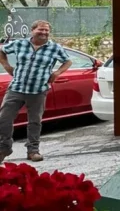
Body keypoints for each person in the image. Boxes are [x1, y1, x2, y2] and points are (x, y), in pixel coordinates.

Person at [0, 21, 71, 163]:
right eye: (41, 30)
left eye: (46, 30)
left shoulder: (55, 48)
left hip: (38, 90)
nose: (44, 33)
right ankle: (4, 148)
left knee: (35, 122)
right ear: (32, 30)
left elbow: (67, 61)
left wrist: (57, 73)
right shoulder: (19, 44)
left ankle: (33, 150)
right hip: (16, 88)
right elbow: (2, 50)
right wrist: (7, 66)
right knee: (4, 119)